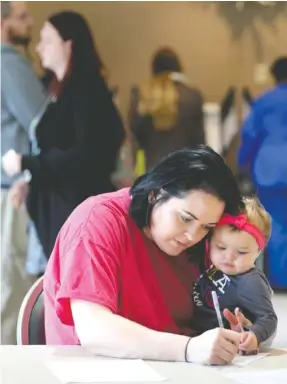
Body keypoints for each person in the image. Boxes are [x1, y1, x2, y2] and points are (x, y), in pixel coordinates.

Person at [43, 145, 256, 365]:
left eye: (206, 227)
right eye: (185, 218)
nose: (192, 236)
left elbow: (206, 316)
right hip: (95, 370)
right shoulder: (97, 222)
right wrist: (187, 349)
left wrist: (232, 333)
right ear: (156, 193)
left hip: (175, 371)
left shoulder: (200, 242)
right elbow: (93, 329)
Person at [2, 11, 125, 259]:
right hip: (56, 215)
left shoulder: (87, 92)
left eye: (47, 40)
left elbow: (85, 156)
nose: (38, 48)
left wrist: (27, 164)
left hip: (77, 215)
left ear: (68, 44)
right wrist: (30, 178)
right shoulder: (57, 91)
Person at [0, 1, 47, 344]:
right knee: (13, 284)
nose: (29, 23)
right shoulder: (9, 64)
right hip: (12, 189)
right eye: (22, 16)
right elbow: (41, 123)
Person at [192, 196, 277, 354]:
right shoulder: (210, 261)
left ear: (258, 252)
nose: (229, 257)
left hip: (224, 346)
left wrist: (253, 335)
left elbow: (269, 318)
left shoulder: (250, 283)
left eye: (242, 252)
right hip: (197, 337)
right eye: (221, 247)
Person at [237, 57, 287, 290]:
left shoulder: (264, 102)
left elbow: (250, 137)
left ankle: (281, 281)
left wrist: (241, 165)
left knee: (276, 224)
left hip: (271, 170)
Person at [129, 47, 205, 171]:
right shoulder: (192, 96)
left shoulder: (141, 97)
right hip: (184, 173)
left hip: (152, 173)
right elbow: (199, 142)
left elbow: (136, 136)